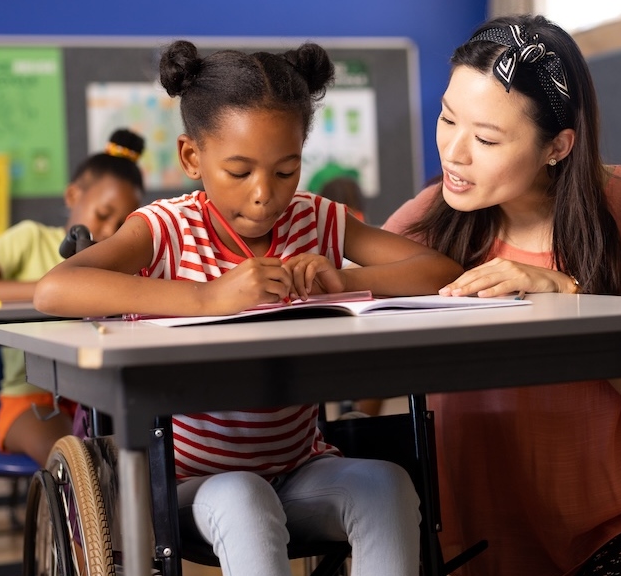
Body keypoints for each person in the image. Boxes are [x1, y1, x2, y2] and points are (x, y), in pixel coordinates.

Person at [34, 41, 462, 576]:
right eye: (239, 172)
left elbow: (440, 272)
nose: (265, 195)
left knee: (387, 486)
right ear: (193, 157)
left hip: (300, 466)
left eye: (286, 171)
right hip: (191, 481)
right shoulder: (167, 229)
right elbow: (54, 290)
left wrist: (345, 279)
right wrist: (205, 298)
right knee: (243, 496)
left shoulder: (318, 220)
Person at [383, 15, 621, 576]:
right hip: (470, 536)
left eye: (486, 138)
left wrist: (572, 300)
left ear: (558, 146)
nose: (454, 153)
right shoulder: (424, 223)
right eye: (446, 117)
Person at [0, 129, 145, 465]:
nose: (110, 232)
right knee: (80, 463)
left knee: (142, 453)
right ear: (72, 196)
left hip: (100, 394)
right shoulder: (31, 238)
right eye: (102, 214)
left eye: (124, 223)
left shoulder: (123, 259)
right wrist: (55, 289)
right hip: (32, 401)